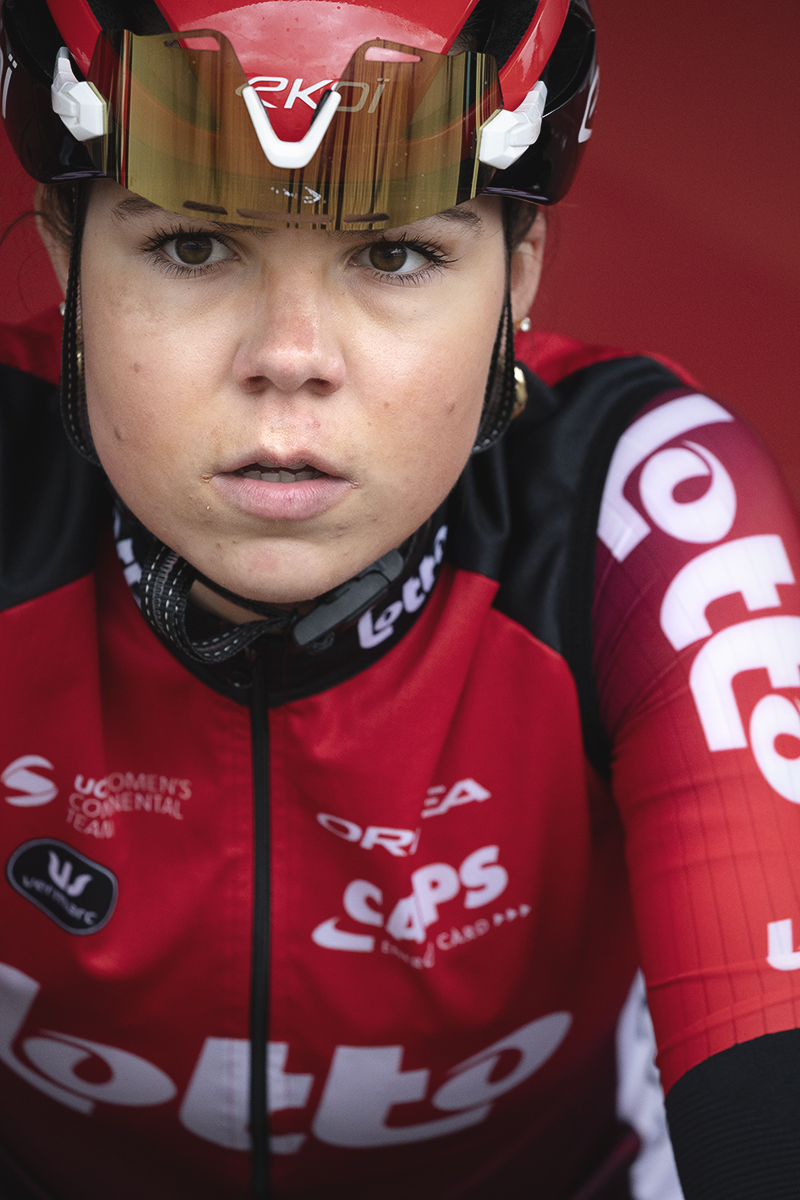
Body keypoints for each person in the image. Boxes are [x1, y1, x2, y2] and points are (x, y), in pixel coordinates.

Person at [1, 1, 800, 1198]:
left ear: (513, 283)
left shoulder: (644, 498)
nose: (290, 353)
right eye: (192, 246)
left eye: (392, 253)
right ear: (65, 259)